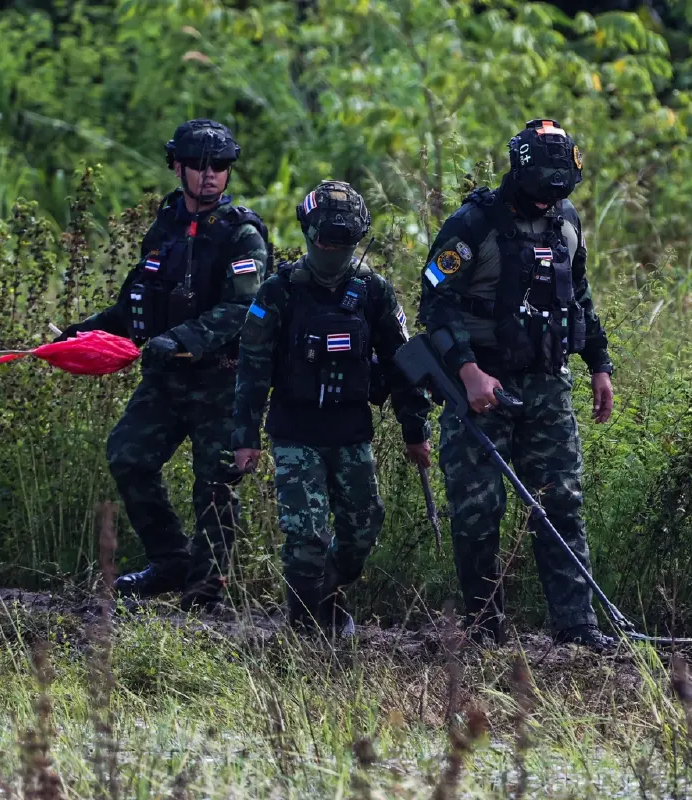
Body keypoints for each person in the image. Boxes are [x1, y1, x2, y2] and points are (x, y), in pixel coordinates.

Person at [417, 119, 616, 651]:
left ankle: (577, 627)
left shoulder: (567, 221)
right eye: (544, 190)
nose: (552, 201)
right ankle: (484, 627)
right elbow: (434, 302)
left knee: (561, 504)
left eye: (562, 191)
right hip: (481, 386)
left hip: (549, 384)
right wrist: (466, 370)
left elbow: (580, 297)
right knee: (478, 510)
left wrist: (599, 364)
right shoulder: (472, 225)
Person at [55, 118, 269, 609]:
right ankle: (171, 560)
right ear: (177, 165)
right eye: (197, 164)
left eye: (220, 165)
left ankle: (206, 588)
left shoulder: (243, 235)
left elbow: (244, 310)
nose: (209, 174)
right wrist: (86, 333)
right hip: (165, 379)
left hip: (219, 381)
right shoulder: (167, 224)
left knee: (214, 484)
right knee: (128, 455)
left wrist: (182, 338)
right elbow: (136, 302)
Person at [231, 180, 432, 637]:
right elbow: (253, 368)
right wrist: (245, 438)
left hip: (350, 431)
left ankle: (328, 594)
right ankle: (305, 634)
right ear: (308, 235)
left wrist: (414, 430)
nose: (334, 250)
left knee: (363, 527)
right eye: (326, 240)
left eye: (344, 243)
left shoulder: (373, 292)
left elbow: (404, 364)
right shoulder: (277, 293)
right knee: (304, 536)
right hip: (296, 432)